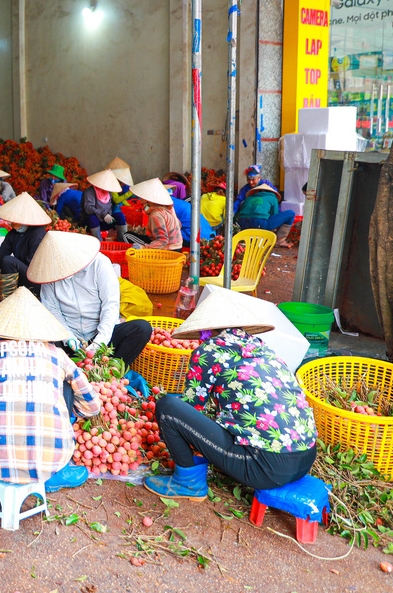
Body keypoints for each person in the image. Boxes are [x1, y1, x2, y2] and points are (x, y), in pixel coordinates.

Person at [144, 286, 317, 499]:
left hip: (265, 468)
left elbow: (191, 408)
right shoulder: (261, 349)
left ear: (206, 330)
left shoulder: (208, 351)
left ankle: (187, 482)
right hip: (305, 459)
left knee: (167, 408)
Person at [0, 287, 102, 490]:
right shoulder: (57, 355)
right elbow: (93, 406)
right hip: (50, 459)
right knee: (65, 388)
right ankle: (54, 472)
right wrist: (66, 414)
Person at [29, 231, 152, 368]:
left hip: (100, 334)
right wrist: (69, 338)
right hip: (69, 335)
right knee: (39, 339)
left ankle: (111, 370)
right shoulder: (49, 273)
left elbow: (110, 305)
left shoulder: (99, 264)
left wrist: (100, 342)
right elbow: (52, 310)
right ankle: (71, 366)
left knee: (142, 328)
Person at [0, 192, 50, 298]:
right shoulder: (14, 234)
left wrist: (1, 275)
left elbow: (32, 270)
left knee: (8, 261)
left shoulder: (37, 235)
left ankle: (8, 298)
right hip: (24, 270)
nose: (11, 222)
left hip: (36, 281)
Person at [124, 178, 182, 250]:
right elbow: (179, 224)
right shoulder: (169, 209)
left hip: (168, 250)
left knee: (127, 235)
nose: (141, 199)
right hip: (177, 247)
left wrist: (144, 247)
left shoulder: (156, 214)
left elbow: (163, 240)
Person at [236, 184, 295, 248]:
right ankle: (280, 241)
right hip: (259, 223)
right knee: (291, 213)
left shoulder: (248, 198)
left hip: (242, 224)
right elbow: (274, 215)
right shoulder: (273, 198)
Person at [81, 170, 127, 242]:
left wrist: (109, 215)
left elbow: (109, 207)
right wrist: (104, 214)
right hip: (91, 223)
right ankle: (99, 243)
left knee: (120, 216)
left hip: (104, 221)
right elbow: (88, 208)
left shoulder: (108, 194)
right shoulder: (89, 192)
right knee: (92, 218)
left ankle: (122, 240)